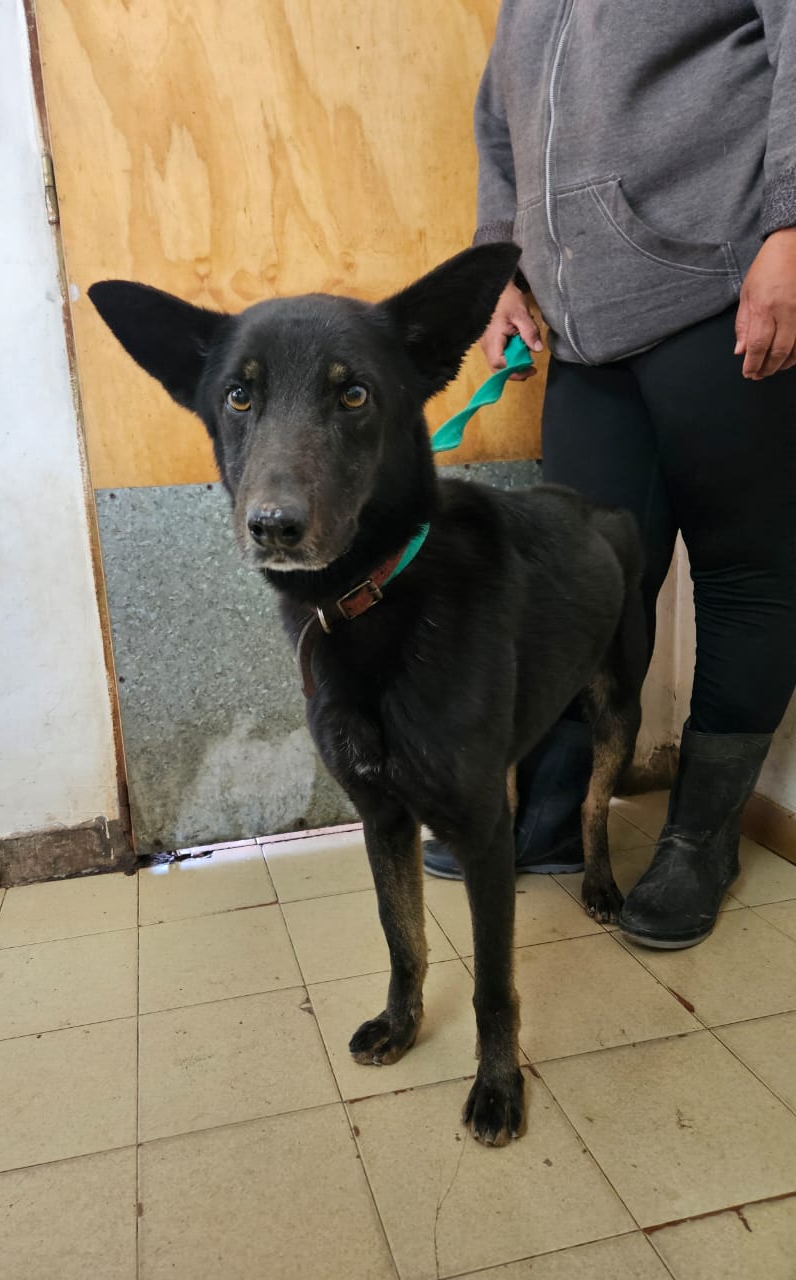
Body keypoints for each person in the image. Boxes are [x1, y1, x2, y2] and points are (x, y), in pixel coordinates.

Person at [424, 2, 796, 950]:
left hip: (717, 285)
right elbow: (500, 122)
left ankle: (700, 841)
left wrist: (792, 229)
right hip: (586, 332)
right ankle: (548, 820)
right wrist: (497, 261)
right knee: (580, 583)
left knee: (747, 574)